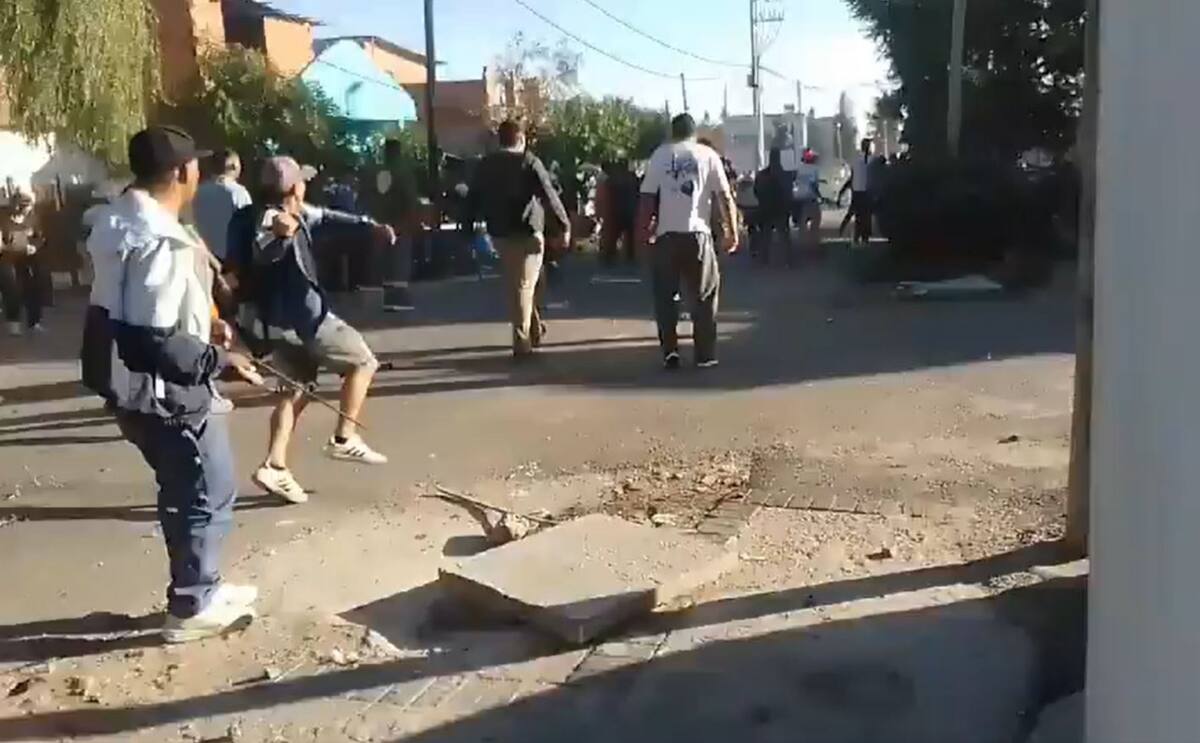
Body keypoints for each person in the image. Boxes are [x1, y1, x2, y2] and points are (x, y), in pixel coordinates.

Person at [85, 125, 263, 642]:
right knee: (206, 489)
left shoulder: (118, 221)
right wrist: (220, 360)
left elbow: (144, 309)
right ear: (184, 172)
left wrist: (203, 324)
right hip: (164, 389)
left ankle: (203, 584)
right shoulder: (160, 240)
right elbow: (155, 338)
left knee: (186, 487)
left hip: (126, 379)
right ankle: (191, 605)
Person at [237, 156, 395, 504]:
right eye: (303, 181)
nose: (307, 185)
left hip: (275, 325)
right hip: (306, 320)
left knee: (296, 389)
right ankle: (344, 438)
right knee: (363, 361)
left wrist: (368, 225)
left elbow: (328, 216)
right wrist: (279, 235)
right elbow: (264, 248)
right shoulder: (273, 220)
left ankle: (274, 465)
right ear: (295, 187)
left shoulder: (293, 212)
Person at [636, 113, 739, 369]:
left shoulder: (660, 155)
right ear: (694, 133)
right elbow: (725, 196)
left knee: (665, 296)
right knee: (704, 296)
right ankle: (704, 354)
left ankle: (670, 351)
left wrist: (642, 234)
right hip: (699, 234)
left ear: (673, 132)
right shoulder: (708, 155)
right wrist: (732, 231)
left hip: (666, 236)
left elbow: (647, 199)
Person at [467, 120, 571, 358]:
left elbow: (473, 198)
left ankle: (533, 327)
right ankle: (521, 341)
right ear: (521, 139)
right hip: (528, 231)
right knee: (524, 285)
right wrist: (564, 226)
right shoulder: (529, 161)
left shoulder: (486, 165)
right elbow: (549, 195)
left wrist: (467, 226)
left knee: (527, 281)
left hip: (500, 233)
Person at [0, 186, 47, 336]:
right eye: (26, 207)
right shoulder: (3, 219)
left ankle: (35, 321)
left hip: (27, 257)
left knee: (33, 285)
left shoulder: (32, 219)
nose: (28, 210)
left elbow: (40, 237)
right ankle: (13, 322)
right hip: (7, 257)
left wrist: (35, 246)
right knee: (11, 287)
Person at [193, 149, 252, 262]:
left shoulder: (197, 192)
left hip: (200, 259)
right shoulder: (238, 193)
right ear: (234, 167)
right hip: (229, 262)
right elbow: (247, 231)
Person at [754, 147, 795, 267]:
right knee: (784, 236)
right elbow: (788, 192)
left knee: (766, 235)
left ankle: (764, 259)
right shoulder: (784, 174)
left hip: (766, 208)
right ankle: (788, 261)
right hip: (780, 208)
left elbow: (756, 191)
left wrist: (762, 201)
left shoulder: (762, 175)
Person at [597, 160, 639, 267]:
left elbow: (607, 195)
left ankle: (609, 256)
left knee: (613, 235)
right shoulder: (633, 178)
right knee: (630, 235)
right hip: (630, 209)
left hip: (616, 210)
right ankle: (630, 256)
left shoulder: (612, 179)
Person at [839, 138, 876, 245]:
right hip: (865, 192)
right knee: (864, 216)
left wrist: (843, 190)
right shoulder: (871, 160)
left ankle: (857, 236)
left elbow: (853, 176)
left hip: (859, 191)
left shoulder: (858, 160)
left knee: (858, 215)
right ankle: (863, 237)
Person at [793, 148, 824, 254]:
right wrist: (820, 196)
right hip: (810, 198)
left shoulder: (800, 168)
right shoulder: (814, 169)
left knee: (802, 224)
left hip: (798, 198)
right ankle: (813, 245)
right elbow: (813, 185)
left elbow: (798, 181)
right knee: (816, 220)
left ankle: (802, 245)